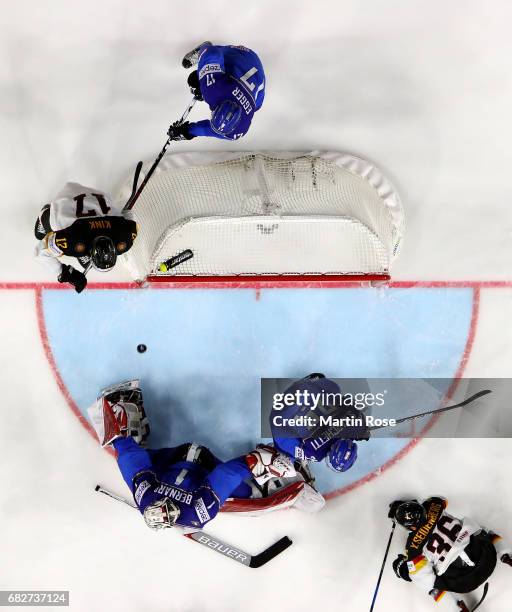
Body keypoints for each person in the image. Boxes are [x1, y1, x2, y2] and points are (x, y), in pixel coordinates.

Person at [87, 381, 308, 530]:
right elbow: (221, 477)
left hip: (181, 458)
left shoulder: (152, 498)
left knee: (127, 451)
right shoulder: (195, 512)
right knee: (248, 492)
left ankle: (124, 415)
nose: (169, 501)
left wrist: (251, 462)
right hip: (200, 463)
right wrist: (250, 462)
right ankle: (284, 475)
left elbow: (131, 462)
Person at [389, 497, 512, 611]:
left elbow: (425, 580)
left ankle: (459, 605)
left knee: (419, 577)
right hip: (486, 558)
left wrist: (403, 568)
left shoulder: (412, 549)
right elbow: (443, 500)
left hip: (464, 582)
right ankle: (507, 556)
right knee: (486, 533)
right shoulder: (434, 505)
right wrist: (413, 505)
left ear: (412, 528)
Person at [34, 182, 137, 292]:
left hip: (98, 195)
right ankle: (45, 214)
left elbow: (128, 215)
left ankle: (84, 251)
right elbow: (40, 252)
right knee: (41, 234)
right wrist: (64, 273)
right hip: (68, 196)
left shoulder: (126, 236)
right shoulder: (71, 239)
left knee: (88, 262)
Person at [272, 374, 370, 474]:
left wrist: (363, 432)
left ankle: (311, 382)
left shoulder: (357, 425)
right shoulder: (315, 453)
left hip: (303, 390)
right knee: (286, 453)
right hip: (280, 410)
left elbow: (349, 403)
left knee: (334, 391)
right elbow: (284, 440)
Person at [168, 41, 265, 142]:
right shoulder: (212, 90)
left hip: (253, 66)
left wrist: (187, 131)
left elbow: (212, 130)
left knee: (257, 105)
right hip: (243, 56)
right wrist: (203, 82)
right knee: (194, 80)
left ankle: (209, 71)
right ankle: (201, 55)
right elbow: (211, 52)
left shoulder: (239, 130)